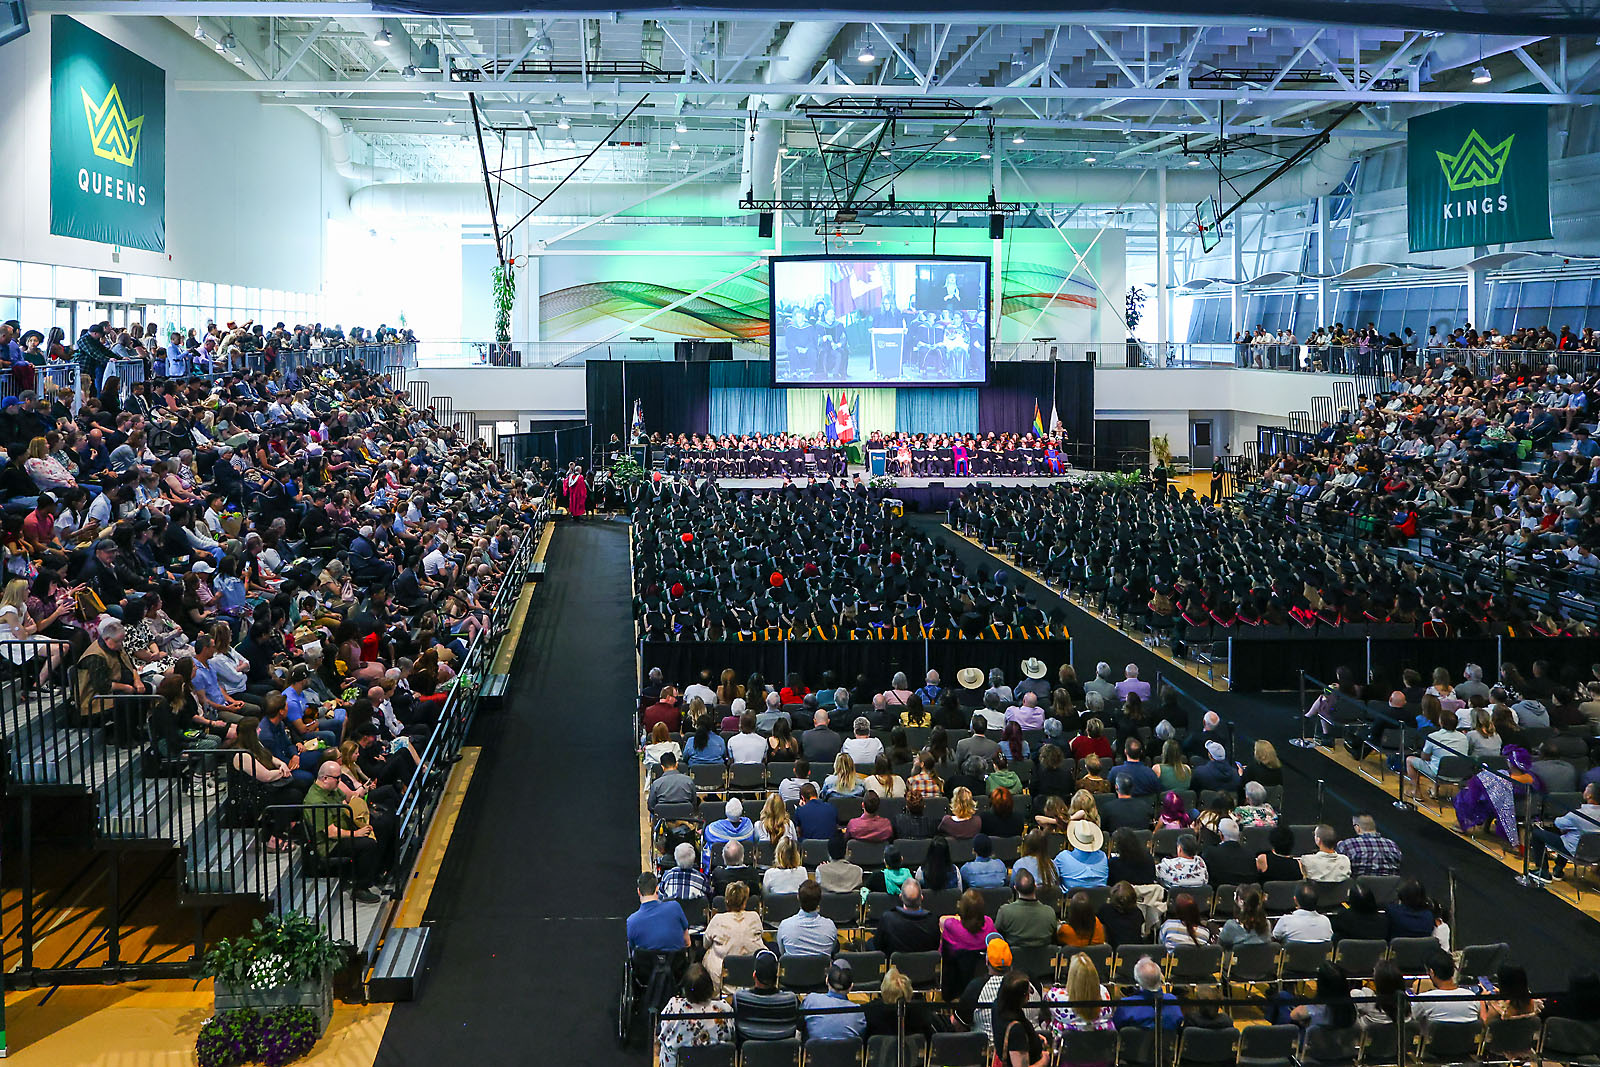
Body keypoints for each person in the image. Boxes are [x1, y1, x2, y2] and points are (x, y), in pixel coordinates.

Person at [302, 758, 390, 904]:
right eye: (337, 778)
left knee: (381, 825)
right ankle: (360, 888)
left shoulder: (332, 790)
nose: (339, 781)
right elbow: (330, 832)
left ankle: (377, 871)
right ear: (325, 778)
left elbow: (346, 803)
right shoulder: (316, 802)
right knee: (367, 844)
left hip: (345, 828)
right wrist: (356, 833)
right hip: (331, 844)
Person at [658, 964, 733, 1067]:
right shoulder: (724, 1009)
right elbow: (731, 1035)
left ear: (685, 988)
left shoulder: (674, 1007)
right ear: (710, 986)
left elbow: (662, 1035)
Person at [1530, 782, 1600, 880]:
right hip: (1596, 854)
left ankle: (1543, 872)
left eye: (1586, 789)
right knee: (1568, 835)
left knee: (1537, 834)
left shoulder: (1579, 814)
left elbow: (1558, 823)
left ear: (1589, 796)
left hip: (1575, 850)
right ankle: (1558, 870)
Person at [731, 950, 800, 1042]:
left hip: (749, 1050)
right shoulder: (791, 1000)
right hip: (784, 1051)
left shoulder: (739, 998)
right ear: (777, 977)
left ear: (754, 975)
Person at [1409, 952, 1481, 1029]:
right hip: (1466, 1037)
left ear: (1432, 972)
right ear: (1453, 971)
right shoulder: (1471, 997)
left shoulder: (1424, 999)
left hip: (1436, 1037)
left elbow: (1409, 1020)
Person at [993, 970, 1049, 1067]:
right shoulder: (1016, 1030)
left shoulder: (997, 1006)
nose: (1029, 996)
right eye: (1027, 993)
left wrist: (1033, 1037)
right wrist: (1045, 1060)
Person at [802, 959, 866, 1042]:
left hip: (815, 1050)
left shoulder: (810, 1000)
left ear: (826, 980)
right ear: (851, 987)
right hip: (846, 1051)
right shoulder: (858, 1013)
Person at [1112, 958, 1183, 1031]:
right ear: (1160, 978)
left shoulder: (1126, 1005)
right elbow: (1178, 1023)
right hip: (1167, 1038)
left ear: (1137, 980)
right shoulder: (1172, 1000)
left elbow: (1117, 1026)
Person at [874, 879, 941, 955]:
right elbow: (935, 946)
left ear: (900, 897)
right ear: (921, 897)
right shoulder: (932, 920)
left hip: (896, 962)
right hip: (925, 962)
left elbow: (878, 946)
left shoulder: (887, 919)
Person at [995, 870, 1057, 950]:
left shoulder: (1004, 912)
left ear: (1015, 888)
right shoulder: (1049, 912)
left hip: (1013, 957)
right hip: (1044, 957)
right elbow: (1054, 938)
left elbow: (997, 936)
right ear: (1035, 886)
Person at [775, 879, 838, 956]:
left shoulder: (785, 925)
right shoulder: (830, 926)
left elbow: (782, 952)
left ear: (798, 898)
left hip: (793, 964)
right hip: (822, 964)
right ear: (820, 899)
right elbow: (832, 949)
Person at [1336, 814, 1404, 877]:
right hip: (1389, 886)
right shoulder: (1393, 845)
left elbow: (1337, 871)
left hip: (1358, 886)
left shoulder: (1347, 845)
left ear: (1357, 828)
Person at [1054, 819, 1108, 889]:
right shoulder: (1103, 856)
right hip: (1101, 896)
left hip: (1071, 895)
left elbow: (1053, 877)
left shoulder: (1063, 857)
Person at [942, 888, 999, 955]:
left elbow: (942, 920)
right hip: (983, 961)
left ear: (961, 909)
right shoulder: (989, 923)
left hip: (956, 961)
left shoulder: (950, 925)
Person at [1202, 819, 1257, 887]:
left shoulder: (1210, 853)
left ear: (1221, 835)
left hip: (1218, 892)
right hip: (1244, 892)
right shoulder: (1250, 855)